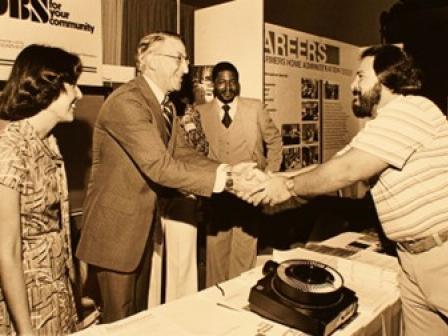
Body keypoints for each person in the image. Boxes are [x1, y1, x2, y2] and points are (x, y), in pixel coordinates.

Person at [245, 44, 448, 336]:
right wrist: (268, 181)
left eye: (360, 77)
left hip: (441, 254)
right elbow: (332, 164)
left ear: (387, 79)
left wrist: (285, 187)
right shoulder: (379, 127)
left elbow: (346, 172)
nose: (353, 85)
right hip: (411, 260)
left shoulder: (411, 110)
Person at [75, 32, 261, 323]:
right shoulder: (128, 102)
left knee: (137, 319)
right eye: (179, 59)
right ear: (149, 62)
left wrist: (228, 170)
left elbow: (183, 152)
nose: (186, 69)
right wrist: (228, 183)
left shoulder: (164, 106)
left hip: (139, 232)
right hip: (116, 236)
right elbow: (159, 166)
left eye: (186, 60)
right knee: (119, 322)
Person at [0, 44, 83, 335]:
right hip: (28, 305)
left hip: (56, 295)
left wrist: (74, 296)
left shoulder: (49, 142)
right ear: (48, 87)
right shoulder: (9, 147)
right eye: (72, 84)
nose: (79, 94)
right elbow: (6, 251)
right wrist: (25, 330)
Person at [187, 61, 282, 287]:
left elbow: (275, 141)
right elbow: (192, 153)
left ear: (238, 84)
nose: (227, 87)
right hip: (217, 194)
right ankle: (216, 299)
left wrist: (270, 177)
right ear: (214, 85)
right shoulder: (199, 112)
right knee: (215, 253)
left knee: (245, 251)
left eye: (232, 82)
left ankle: (241, 296)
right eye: (221, 82)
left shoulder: (255, 108)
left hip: (249, 193)